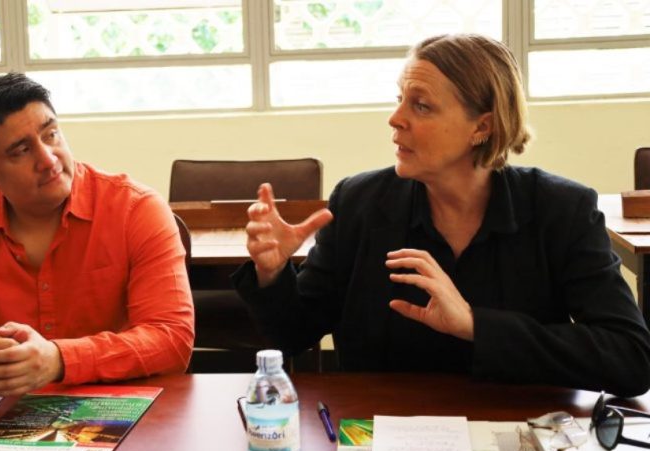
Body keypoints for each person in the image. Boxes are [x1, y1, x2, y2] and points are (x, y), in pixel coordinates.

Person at [235, 33, 650, 397]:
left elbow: (630, 359)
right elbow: (292, 335)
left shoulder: (560, 210)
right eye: (400, 100)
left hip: (522, 434)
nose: (396, 119)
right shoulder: (359, 203)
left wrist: (475, 325)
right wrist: (273, 275)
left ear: (482, 126)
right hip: (381, 433)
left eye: (421, 106)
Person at [0, 73, 194, 395]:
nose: (48, 160)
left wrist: (59, 359)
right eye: (21, 151)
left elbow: (171, 339)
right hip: (14, 417)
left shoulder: (135, 209)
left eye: (51, 135)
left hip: (127, 406)